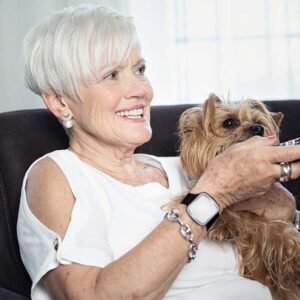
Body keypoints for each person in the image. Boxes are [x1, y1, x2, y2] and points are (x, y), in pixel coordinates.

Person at [17, 4, 299, 300]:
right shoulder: (59, 174)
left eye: (140, 69)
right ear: (61, 103)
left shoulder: (186, 167)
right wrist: (213, 194)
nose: (140, 89)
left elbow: (281, 210)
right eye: (111, 75)